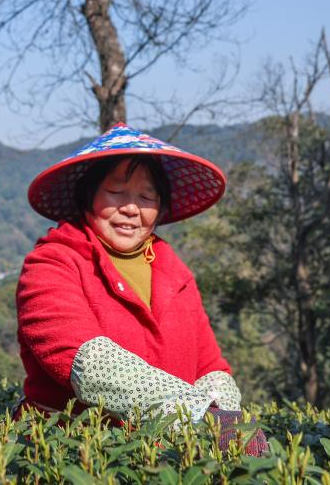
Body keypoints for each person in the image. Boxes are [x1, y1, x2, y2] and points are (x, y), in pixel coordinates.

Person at [17, 123, 266, 454]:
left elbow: (211, 367)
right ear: (88, 195)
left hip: (168, 454)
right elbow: (88, 364)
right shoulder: (52, 264)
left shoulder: (176, 274)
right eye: (116, 192)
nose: (131, 208)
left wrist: (224, 415)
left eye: (146, 196)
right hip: (75, 454)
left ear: (159, 208)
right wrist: (196, 414)